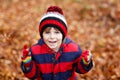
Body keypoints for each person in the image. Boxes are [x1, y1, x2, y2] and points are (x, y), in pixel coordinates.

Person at [21, 6, 93, 80]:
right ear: (42, 34)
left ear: (63, 35)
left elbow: (80, 69)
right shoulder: (35, 51)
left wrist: (85, 62)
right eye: (47, 32)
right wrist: (28, 64)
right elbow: (33, 75)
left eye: (57, 32)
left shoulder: (74, 49)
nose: (52, 36)